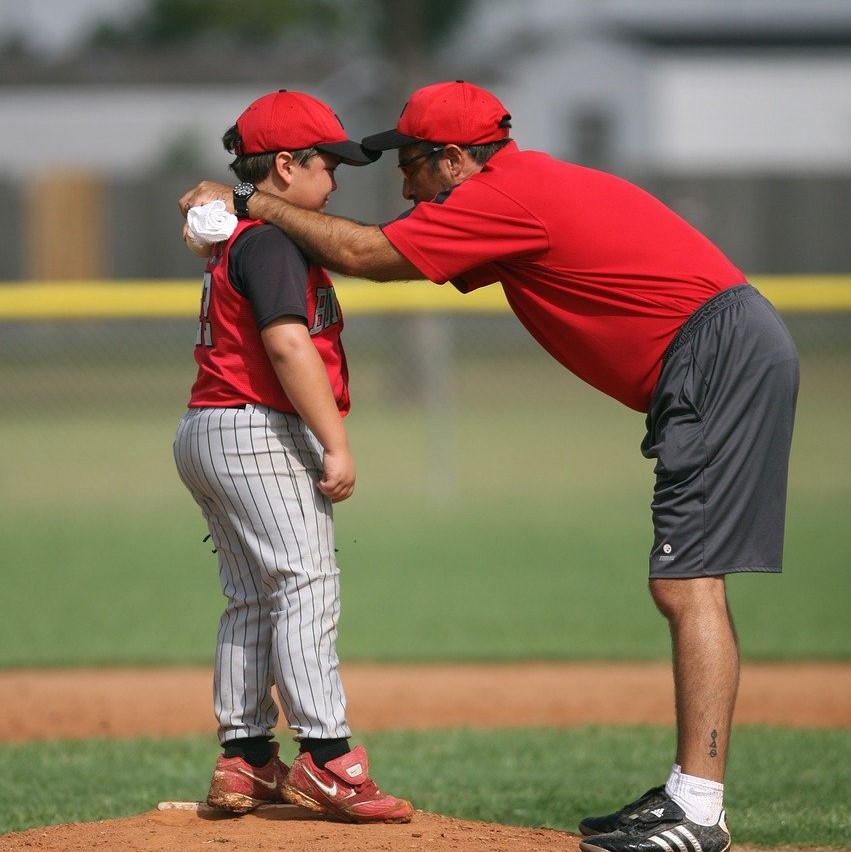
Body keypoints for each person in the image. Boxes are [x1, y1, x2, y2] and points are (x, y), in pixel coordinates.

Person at [178, 80, 799, 851]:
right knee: (683, 579)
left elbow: (369, 253)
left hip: (716, 357)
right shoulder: (520, 187)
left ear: (453, 160)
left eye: (409, 164)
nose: (401, 183)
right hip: (716, 353)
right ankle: (687, 793)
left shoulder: (504, 196)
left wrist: (251, 204)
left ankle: (698, 809)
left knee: (686, 580)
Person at [173, 88, 413, 824]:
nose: (334, 180)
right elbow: (286, 343)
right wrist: (335, 443)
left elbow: (205, 218)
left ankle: (244, 759)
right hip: (256, 427)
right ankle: (327, 758)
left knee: (253, 595)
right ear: (285, 165)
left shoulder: (245, 237)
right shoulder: (272, 241)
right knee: (306, 583)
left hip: (207, 426)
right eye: (325, 165)